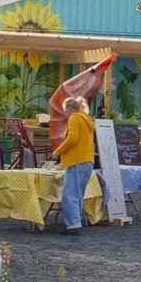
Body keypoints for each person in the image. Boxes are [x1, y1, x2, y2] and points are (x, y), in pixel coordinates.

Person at [52, 96, 96, 235]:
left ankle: (73, 225)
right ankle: (76, 222)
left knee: (69, 195)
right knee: (78, 194)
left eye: (65, 110)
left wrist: (58, 151)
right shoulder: (87, 119)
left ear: (70, 108)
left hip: (76, 160)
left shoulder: (74, 118)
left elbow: (72, 138)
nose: (65, 114)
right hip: (88, 161)